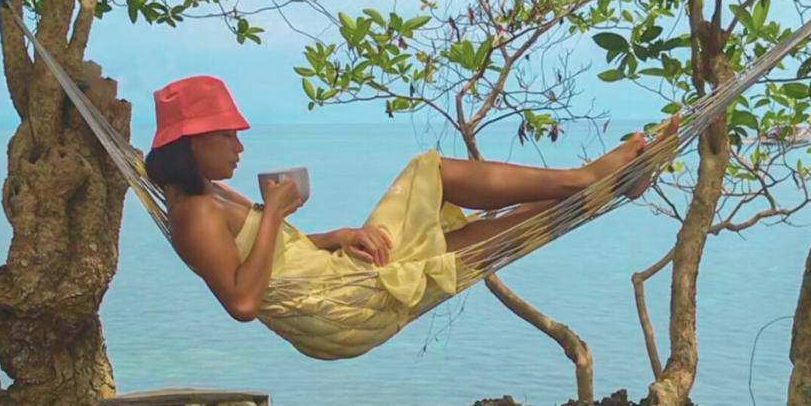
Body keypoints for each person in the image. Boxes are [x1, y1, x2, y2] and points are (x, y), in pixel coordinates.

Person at [145, 75, 678, 357]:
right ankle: (587, 177)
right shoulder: (192, 215)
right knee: (432, 172)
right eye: (226, 134)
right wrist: (279, 208)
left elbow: (286, 251)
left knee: (479, 237)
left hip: (337, 278)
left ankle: (607, 186)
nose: (240, 144)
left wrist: (340, 235)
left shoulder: (210, 192)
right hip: (336, 307)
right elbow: (242, 300)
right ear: (190, 142)